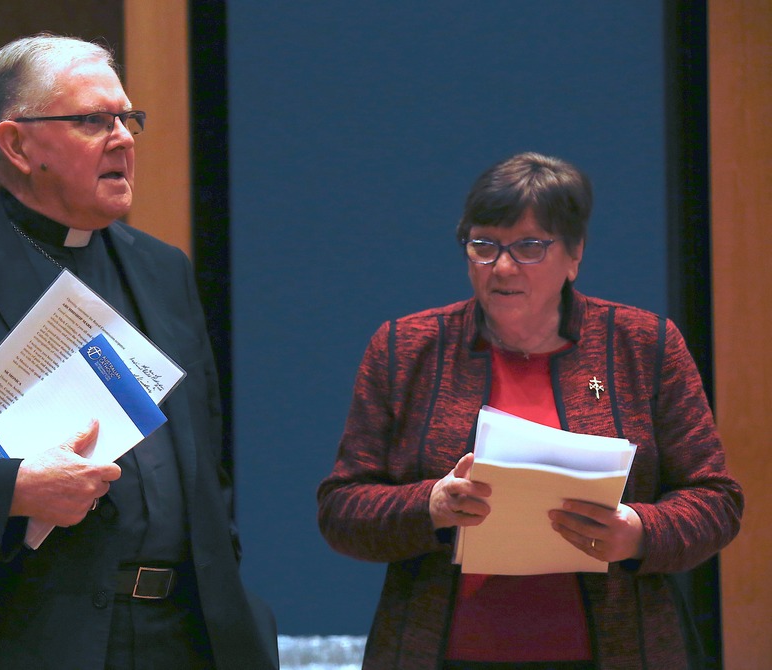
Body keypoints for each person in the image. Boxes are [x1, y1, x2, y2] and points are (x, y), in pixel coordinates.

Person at [0, 33, 277, 669]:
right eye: (94, 120)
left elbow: (204, 462)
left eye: (128, 118)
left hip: (189, 636)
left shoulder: (163, 269)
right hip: (27, 639)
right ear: (17, 144)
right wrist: (13, 489)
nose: (123, 137)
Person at [317, 152, 743, 669]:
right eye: (483, 245)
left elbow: (716, 500)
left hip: (615, 652)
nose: (501, 267)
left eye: (529, 247)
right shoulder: (406, 348)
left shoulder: (643, 345)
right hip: (440, 654)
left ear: (574, 255)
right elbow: (341, 509)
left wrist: (637, 532)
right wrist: (430, 505)